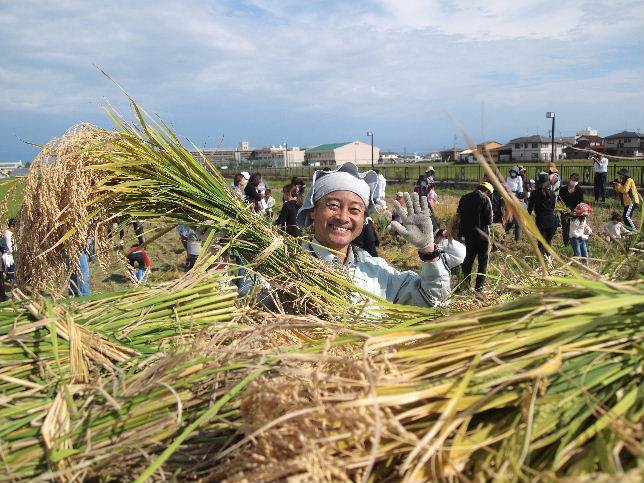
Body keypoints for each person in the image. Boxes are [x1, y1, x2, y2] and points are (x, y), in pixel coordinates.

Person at [294, 162, 451, 307]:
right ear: (313, 210)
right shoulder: (291, 265)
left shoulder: (376, 271)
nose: (342, 217)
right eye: (333, 205)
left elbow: (434, 301)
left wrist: (428, 251)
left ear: (364, 219)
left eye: (354, 210)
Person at [456, 182, 493, 292]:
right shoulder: (485, 199)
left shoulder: (464, 198)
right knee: (483, 263)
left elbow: (459, 215)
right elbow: (489, 220)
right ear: (487, 191)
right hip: (483, 237)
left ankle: (465, 285)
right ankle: (479, 289)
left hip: (469, 235)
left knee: (468, 260)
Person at [528, 173, 560, 255]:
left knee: (541, 242)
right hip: (552, 220)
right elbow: (553, 207)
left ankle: (542, 260)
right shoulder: (552, 193)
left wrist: (527, 217)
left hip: (540, 221)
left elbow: (530, 208)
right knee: (548, 242)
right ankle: (548, 259)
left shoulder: (534, 194)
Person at [559, 173, 584, 245]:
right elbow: (559, 201)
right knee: (565, 230)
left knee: (574, 230)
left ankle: (574, 245)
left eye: (576, 180)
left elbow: (581, 203)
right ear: (569, 179)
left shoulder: (579, 190)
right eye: (573, 179)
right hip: (565, 213)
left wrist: (577, 212)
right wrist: (563, 210)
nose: (574, 181)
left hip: (575, 214)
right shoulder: (563, 189)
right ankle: (566, 244)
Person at [504, 166, 524, 241]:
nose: (513, 173)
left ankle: (517, 238)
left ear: (516, 173)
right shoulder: (508, 178)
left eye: (514, 172)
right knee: (508, 214)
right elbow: (506, 186)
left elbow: (520, 188)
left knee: (516, 219)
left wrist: (519, 196)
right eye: (512, 172)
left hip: (516, 196)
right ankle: (505, 230)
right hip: (508, 195)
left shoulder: (519, 179)